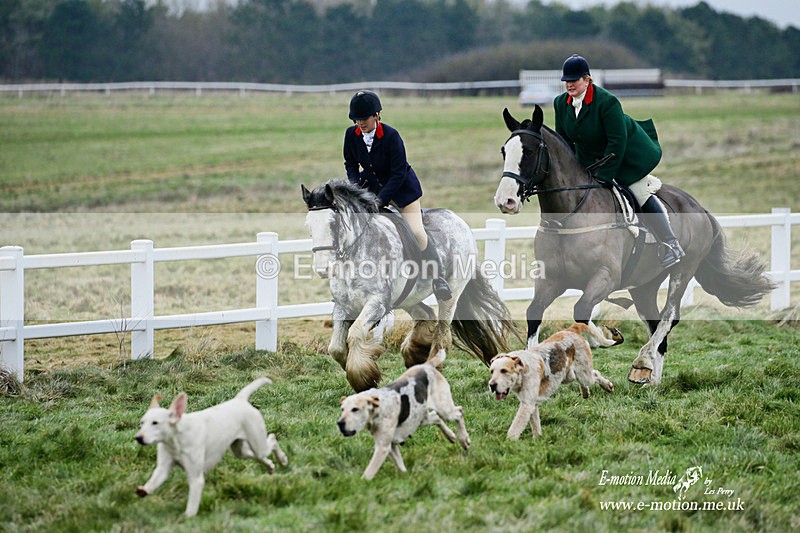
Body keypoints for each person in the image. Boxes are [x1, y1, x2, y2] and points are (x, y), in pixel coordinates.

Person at [553, 54, 685, 268]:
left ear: (587, 80)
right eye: (566, 80)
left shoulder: (607, 102)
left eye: (574, 80)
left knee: (638, 191)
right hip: (591, 159)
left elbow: (617, 142)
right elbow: (565, 143)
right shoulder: (560, 103)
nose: (569, 84)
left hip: (626, 155)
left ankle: (671, 244)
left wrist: (604, 175)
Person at [343, 90, 452, 300]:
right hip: (371, 187)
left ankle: (438, 280)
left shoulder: (391, 136)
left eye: (364, 118)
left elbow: (398, 172)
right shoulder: (351, 135)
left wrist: (381, 200)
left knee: (417, 232)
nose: (359, 123)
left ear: (377, 115)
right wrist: (355, 188)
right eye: (356, 119)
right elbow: (350, 164)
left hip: (402, 189)